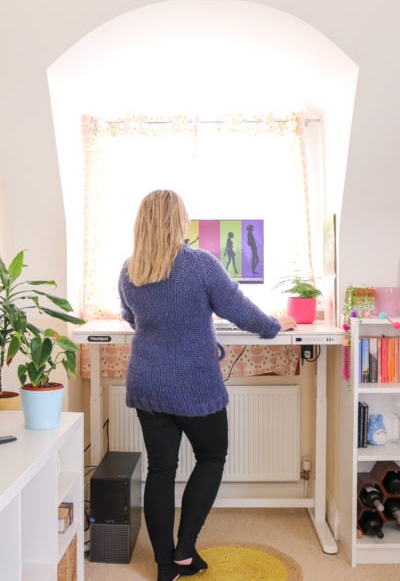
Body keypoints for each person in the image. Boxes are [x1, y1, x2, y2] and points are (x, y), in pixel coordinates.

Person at [118, 189, 296, 581]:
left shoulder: (130, 269)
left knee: (161, 470)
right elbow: (239, 309)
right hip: (194, 384)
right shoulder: (199, 265)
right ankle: (184, 548)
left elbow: (132, 318)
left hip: (148, 383)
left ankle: (166, 565)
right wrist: (274, 325)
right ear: (178, 221)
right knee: (211, 457)